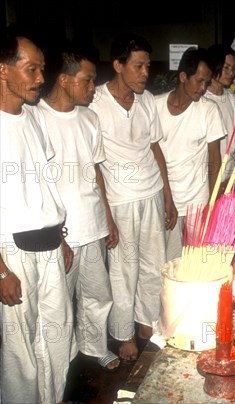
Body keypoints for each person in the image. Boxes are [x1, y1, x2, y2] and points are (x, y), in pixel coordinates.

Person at [31, 44, 121, 371]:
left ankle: (95, 347)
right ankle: (62, 360)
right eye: (87, 80)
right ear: (66, 79)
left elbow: (96, 171)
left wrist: (109, 219)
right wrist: (58, 235)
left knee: (98, 295)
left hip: (93, 222)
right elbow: (39, 183)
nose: (92, 90)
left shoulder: (89, 118)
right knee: (58, 304)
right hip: (61, 231)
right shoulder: (36, 118)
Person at [89, 33, 177, 362]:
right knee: (124, 269)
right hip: (120, 198)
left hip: (151, 193)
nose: (145, 73)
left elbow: (156, 149)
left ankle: (147, 324)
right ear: (118, 65)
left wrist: (168, 198)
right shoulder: (95, 103)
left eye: (147, 66)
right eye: (138, 66)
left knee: (154, 265)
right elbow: (94, 164)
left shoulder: (147, 102)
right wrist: (106, 214)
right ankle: (123, 333)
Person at [0, 33, 74, 404]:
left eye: (42, 68)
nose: (41, 77)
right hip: (13, 250)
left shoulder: (33, 118)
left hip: (48, 243)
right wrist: (0, 271)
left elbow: (48, 182)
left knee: (57, 334)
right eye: (32, 68)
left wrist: (61, 237)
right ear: (2, 69)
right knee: (20, 350)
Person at [155, 47, 227, 261]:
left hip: (197, 201)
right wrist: (166, 199)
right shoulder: (154, 106)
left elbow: (215, 159)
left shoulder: (209, 110)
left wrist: (213, 204)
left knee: (196, 264)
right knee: (168, 265)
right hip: (164, 200)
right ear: (183, 77)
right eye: (199, 81)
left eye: (207, 82)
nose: (203, 88)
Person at [206, 44, 235, 191]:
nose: (231, 73)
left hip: (229, 179)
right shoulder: (201, 99)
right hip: (206, 182)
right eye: (226, 68)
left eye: (233, 68)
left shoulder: (233, 100)